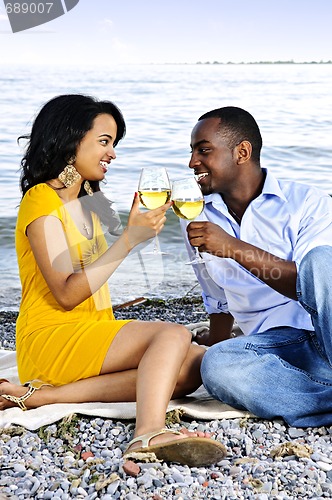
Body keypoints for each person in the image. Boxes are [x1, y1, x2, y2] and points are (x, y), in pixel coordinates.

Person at [0, 94, 227, 467]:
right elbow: (67, 293)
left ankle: (42, 396)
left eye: (114, 144)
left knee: (192, 365)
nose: (113, 154)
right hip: (50, 337)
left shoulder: (88, 203)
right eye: (104, 141)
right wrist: (130, 239)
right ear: (70, 139)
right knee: (172, 334)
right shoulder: (41, 201)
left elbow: (93, 276)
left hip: (89, 331)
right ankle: (147, 433)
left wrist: (137, 233)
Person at [180, 106, 332, 428]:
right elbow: (217, 297)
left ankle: (305, 400)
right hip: (275, 352)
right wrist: (216, 341)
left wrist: (233, 248)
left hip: (325, 329)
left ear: (242, 152)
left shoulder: (307, 203)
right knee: (216, 366)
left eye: (203, 150)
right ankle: (323, 399)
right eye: (192, 152)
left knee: (320, 260)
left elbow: (312, 282)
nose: (193, 162)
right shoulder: (196, 217)